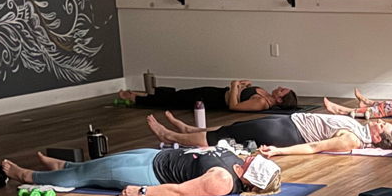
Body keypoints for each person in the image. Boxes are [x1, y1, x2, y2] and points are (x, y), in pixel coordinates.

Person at [0, 143, 283, 196]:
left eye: (254, 165)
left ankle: (27, 176)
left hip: (152, 175)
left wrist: (142, 192)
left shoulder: (223, 181)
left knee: (86, 177)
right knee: (98, 164)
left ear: (251, 178)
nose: (252, 159)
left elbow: (179, 191)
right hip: (157, 156)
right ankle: (63, 166)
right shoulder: (237, 160)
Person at [143, 111, 392, 156]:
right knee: (233, 128)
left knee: (225, 136)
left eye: (383, 126)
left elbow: (314, 147)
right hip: (288, 122)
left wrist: (279, 151)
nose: (380, 122)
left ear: (376, 138)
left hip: (287, 132)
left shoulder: (352, 140)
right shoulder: (360, 129)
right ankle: (189, 130)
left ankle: (171, 137)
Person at [118, 80, 298, 113]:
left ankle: (137, 99)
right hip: (217, 92)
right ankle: (143, 95)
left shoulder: (261, 103)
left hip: (214, 100)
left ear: (279, 100)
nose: (279, 87)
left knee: (176, 100)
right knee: (180, 94)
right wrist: (244, 86)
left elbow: (234, 106)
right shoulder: (264, 94)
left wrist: (234, 86)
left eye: (282, 90)